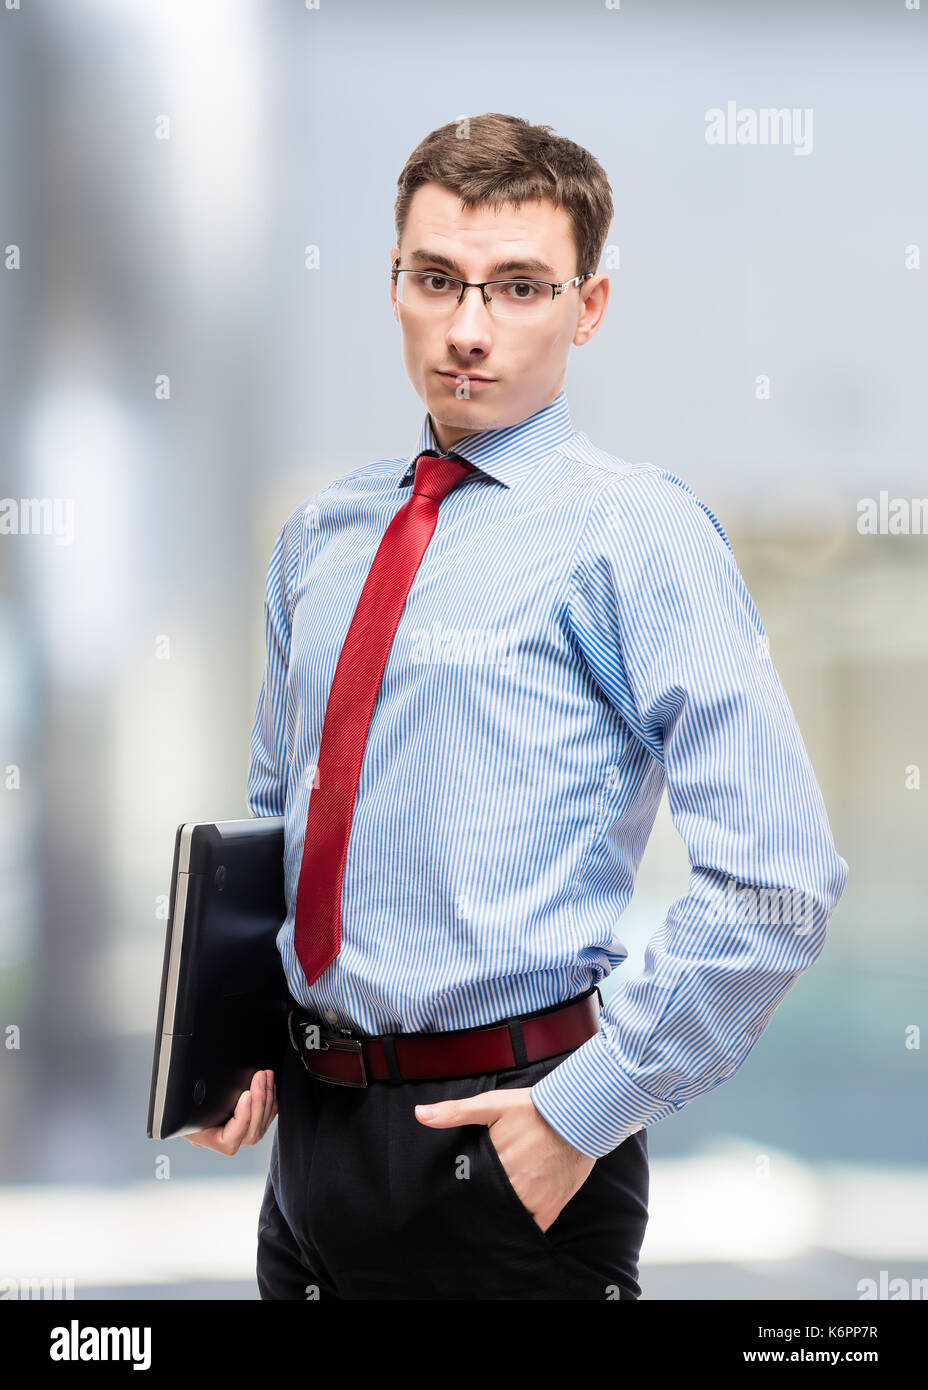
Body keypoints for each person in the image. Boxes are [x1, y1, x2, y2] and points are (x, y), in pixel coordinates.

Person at [185, 112, 848, 1301]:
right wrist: (234, 1037)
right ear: (395, 282)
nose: (469, 329)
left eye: (519, 288)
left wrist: (587, 1111)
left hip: (509, 1138)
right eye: (437, 279)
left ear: (586, 308)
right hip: (310, 1160)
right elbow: (284, 822)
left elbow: (777, 874)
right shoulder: (320, 538)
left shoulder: (632, 533)